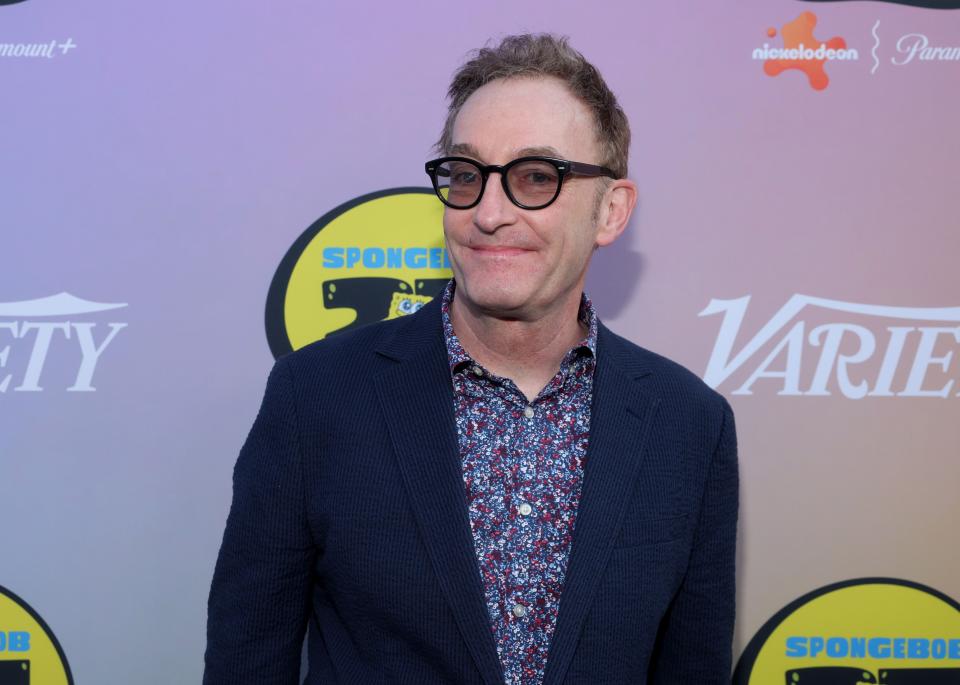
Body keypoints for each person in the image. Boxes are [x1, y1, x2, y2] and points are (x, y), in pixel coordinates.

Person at [204, 33, 738, 685]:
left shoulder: (688, 425)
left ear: (611, 209)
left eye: (536, 177)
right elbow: (246, 660)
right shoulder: (316, 395)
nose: (488, 213)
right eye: (466, 174)